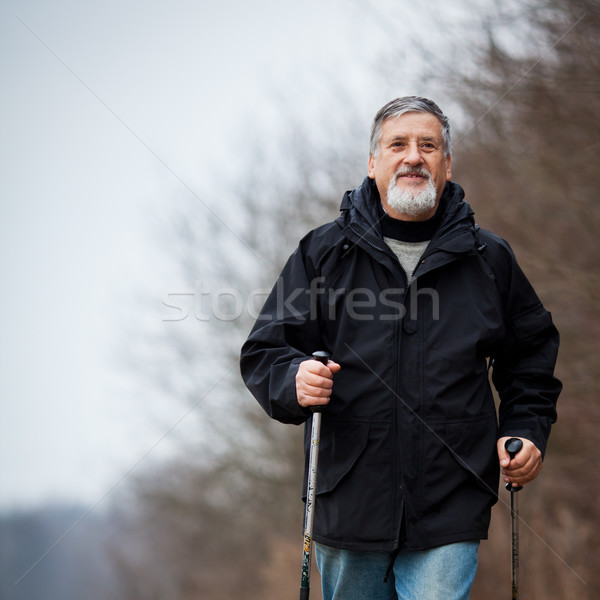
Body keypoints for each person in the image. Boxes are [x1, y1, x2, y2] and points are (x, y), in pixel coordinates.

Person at [240, 96, 561, 599]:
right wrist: (294, 379)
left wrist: (526, 429)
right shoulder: (322, 253)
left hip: (451, 501)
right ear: (373, 164)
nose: (413, 156)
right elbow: (265, 351)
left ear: (446, 164)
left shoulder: (490, 259)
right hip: (347, 501)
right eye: (398, 144)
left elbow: (531, 356)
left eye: (428, 145)